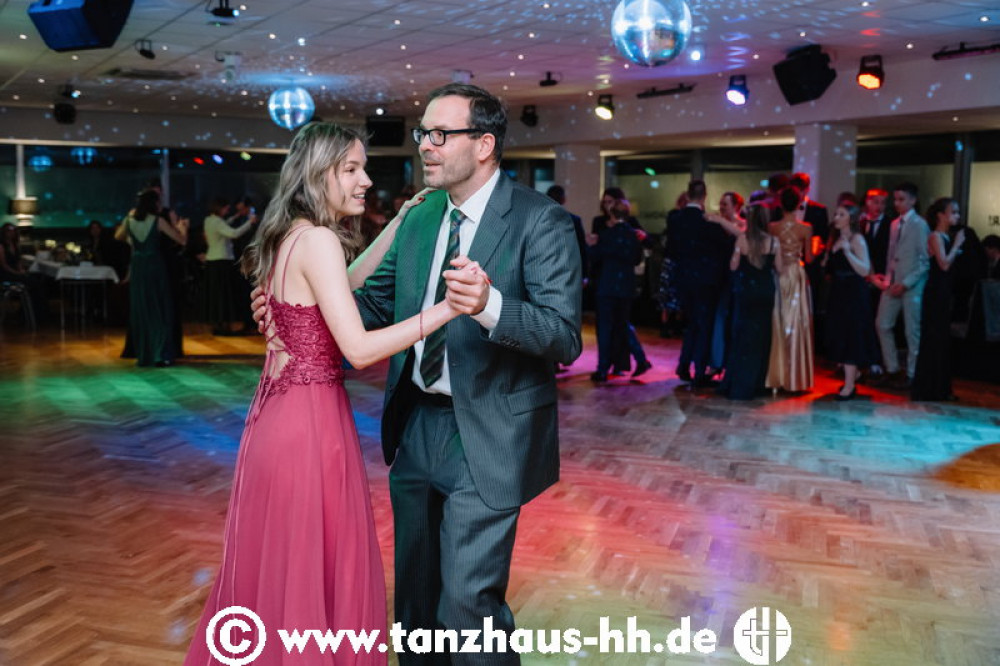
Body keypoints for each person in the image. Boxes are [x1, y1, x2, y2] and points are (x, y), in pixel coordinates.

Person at [251, 84, 581, 665]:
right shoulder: (423, 216)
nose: (425, 145)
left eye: (440, 134)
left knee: (468, 608)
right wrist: (294, 310)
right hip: (416, 426)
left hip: (489, 434)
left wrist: (490, 305)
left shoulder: (541, 220)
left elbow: (563, 337)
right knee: (416, 608)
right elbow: (369, 306)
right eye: (423, 133)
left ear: (484, 145)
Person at [186, 122, 461, 665]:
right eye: (351, 169)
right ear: (319, 174)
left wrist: (398, 224)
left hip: (276, 419)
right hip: (309, 425)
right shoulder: (318, 240)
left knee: (284, 566)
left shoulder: (291, 235)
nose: (365, 181)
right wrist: (446, 310)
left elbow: (346, 281)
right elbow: (358, 348)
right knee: (312, 562)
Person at [667, 180, 733, 386]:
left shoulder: (675, 219)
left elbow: (671, 250)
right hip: (706, 280)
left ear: (687, 195)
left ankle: (684, 364)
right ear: (704, 196)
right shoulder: (709, 222)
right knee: (704, 325)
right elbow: (725, 249)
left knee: (691, 323)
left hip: (684, 278)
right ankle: (698, 370)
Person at [115, 189, 188, 367]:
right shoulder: (158, 220)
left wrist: (133, 242)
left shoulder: (128, 220)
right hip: (155, 266)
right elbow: (181, 240)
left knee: (142, 310)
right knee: (160, 309)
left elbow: (118, 236)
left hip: (138, 266)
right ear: (153, 204)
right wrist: (182, 227)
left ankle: (145, 353)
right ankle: (160, 354)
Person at [718, 203, 780, 400]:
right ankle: (757, 384)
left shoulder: (743, 239)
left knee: (742, 336)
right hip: (765, 291)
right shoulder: (774, 241)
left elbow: (733, 266)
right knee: (761, 337)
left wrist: (738, 254)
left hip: (746, 291)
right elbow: (780, 268)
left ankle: (738, 384)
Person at [590, 187, 651, 376]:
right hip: (625, 286)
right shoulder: (633, 235)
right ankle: (640, 359)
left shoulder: (605, 235)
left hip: (606, 284)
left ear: (612, 212)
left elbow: (595, 256)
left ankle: (602, 369)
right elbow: (636, 259)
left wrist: (591, 246)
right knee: (623, 325)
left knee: (605, 327)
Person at [875, 182, 929, 388]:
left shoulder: (920, 225)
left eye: (901, 199)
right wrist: (888, 279)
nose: (897, 203)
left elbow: (925, 261)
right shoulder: (894, 224)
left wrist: (906, 283)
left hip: (912, 284)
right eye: (896, 199)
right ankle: (892, 368)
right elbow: (892, 255)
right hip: (893, 281)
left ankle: (913, 374)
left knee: (912, 330)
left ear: (913, 200)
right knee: (882, 324)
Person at [912, 197, 965, 401]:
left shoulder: (945, 237)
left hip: (943, 292)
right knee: (933, 338)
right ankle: (929, 389)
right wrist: (957, 245)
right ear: (941, 215)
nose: (957, 216)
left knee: (941, 340)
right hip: (935, 293)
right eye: (953, 212)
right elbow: (943, 264)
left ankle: (940, 389)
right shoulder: (935, 236)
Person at [824, 204, 879, 400]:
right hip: (839, 291)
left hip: (853, 292)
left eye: (841, 214)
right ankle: (852, 376)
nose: (836, 217)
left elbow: (864, 270)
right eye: (836, 214)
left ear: (851, 218)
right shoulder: (837, 238)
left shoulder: (857, 239)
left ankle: (849, 386)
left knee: (851, 336)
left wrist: (847, 252)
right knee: (841, 333)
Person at [766, 186, 815, 393]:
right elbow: (809, 258)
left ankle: (777, 375)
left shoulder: (772, 227)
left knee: (778, 320)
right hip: (795, 274)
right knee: (796, 322)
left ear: (780, 204)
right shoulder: (806, 228)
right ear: (799, 204)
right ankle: (795, 377)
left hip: (777, 274)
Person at [705, 191, 747, 376]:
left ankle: (730, 364)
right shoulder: (714, 225)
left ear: (736, 207)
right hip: (718, 278)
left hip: (736, 278)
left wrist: (720, 221)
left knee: (733, 320)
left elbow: (742, 236)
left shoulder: (743, 224)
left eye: (725, 204)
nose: (721, 207)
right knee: (719, 320)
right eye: (721, 203)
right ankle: (716, 362)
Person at [203, 196, 257, 335]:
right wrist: (250, 222)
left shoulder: (209, 220)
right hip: (221, 261)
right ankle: (223, 324)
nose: (227, 211)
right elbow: (233, 233)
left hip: (212, 261)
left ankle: (219, 323)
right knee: (223, 295)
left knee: (217, 295)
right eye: (226, 208)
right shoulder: (217, 222)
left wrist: (234, 218)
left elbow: (223, 226)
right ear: (219, 208)